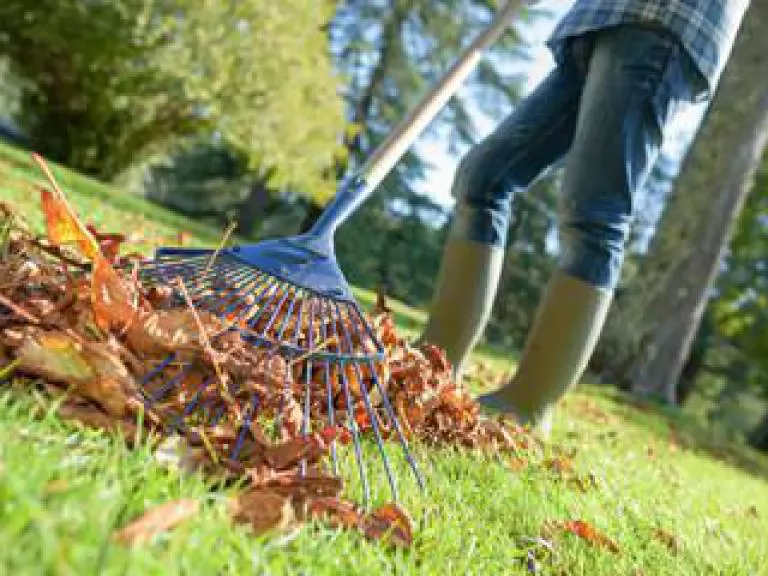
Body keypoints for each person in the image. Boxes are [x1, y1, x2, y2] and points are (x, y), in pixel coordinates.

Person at [419, 0, 750, 436]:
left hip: (661, 18)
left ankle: (527, 405)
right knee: (483, 177)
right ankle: (433, 364)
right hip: (601, 17)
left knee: (593, 213)